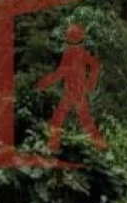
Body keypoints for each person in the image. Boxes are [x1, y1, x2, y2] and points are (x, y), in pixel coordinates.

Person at [35, 23, 105, 153]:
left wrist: (44, 83)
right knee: (81, 120)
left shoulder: (73, 52)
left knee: (62, 119)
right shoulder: (77, 52)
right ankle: (100, 146)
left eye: (69, 35)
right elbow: (93, 66)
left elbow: (61, 72)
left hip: (75, 91)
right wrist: (90, 84)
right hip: (73, 90)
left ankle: (53, 148)